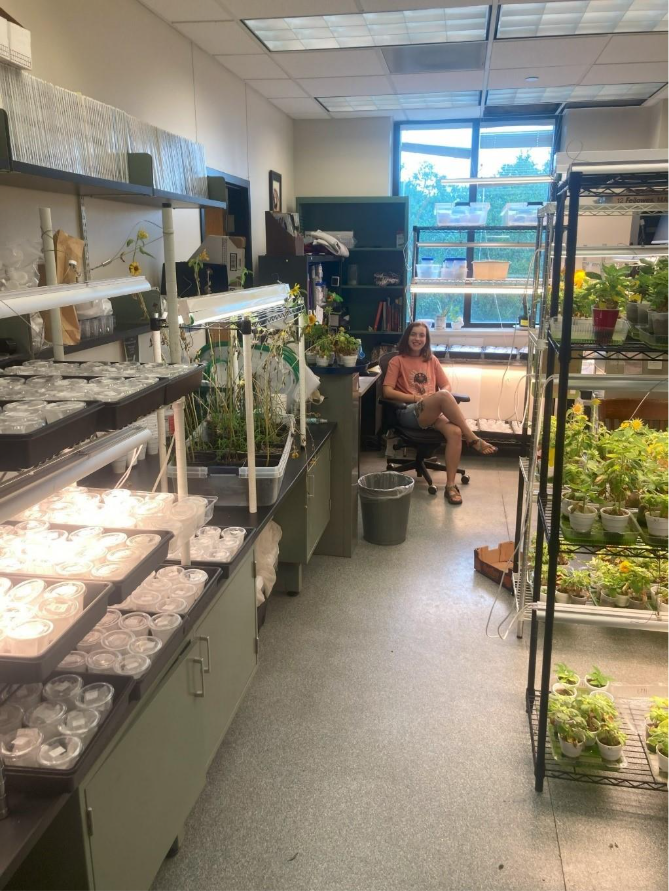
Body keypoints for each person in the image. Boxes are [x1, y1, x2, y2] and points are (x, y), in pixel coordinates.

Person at [382, 321, 496, 505]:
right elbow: (387, 392)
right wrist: (417, 398)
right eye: (414, 334)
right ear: (407, 337)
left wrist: (435, 396)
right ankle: (473, 438)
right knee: (443, 396)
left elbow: (447, 385)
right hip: (408, 412)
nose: (417, 339)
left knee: (455, 432)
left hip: (431, 413)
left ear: (426, 340)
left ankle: (450, 486)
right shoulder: (398, 361)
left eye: (421, 335)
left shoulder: (432, 360)